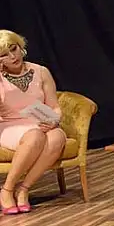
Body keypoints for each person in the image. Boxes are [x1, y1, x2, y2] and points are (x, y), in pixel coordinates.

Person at [0, 30, 66, 215]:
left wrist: (54, 120)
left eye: (14, 49)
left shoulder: (41, 71)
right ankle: (7, 190)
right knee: (35, 136)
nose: (13, 56)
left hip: (39, 121)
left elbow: (54, 106)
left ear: (21, 47)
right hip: (9, 124)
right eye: (4, 54)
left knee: (58, 136)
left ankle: (23, 189)